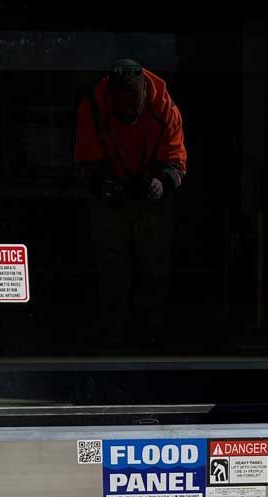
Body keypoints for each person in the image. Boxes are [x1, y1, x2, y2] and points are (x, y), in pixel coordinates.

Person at [75, 59, 187, 347]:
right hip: (110, 192)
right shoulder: (94, 106)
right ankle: (113, 336)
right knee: (112, 269)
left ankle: (153, 335)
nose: (128, 113)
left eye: (133, 107)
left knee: (155, 266)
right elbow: (86, 160)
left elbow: (176, 161)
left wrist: (162, 182)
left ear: (145, 96)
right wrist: (102, 184)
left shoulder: (165, 109)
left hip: (154, 191)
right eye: (121, 108)